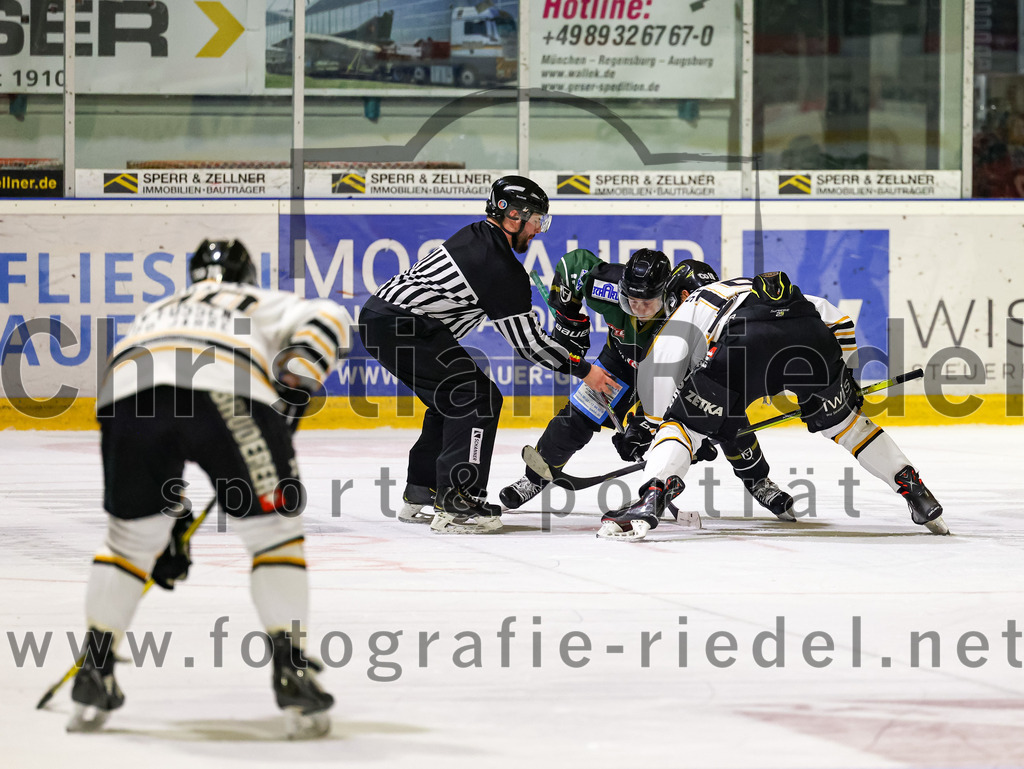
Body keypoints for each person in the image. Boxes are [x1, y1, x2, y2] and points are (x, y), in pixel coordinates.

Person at [69, 240, 349, 738]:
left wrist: (170, 511)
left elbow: (165, 391)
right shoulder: (257, 300)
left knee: (128, 544)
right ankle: (292, 670)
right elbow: (330, 315)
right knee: (274, 535)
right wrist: (296, 382)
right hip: (227, 388)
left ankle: (94, 670)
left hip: (126, 394)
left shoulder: (160, 307)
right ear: (247, 275)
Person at [597, 271, 948, 541]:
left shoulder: (691, 308)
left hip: (745, 346)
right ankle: (914, 488)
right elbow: (839, 322)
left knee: (682, 427)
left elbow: (662, 378)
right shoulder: (745, 289)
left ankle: (653, 495)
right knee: (850, 427)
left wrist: (660, 430)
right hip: (810, 338)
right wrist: (845, 381)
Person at [359, 175, 616, 534]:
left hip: (385, 319)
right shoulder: (497, 266)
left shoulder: (477, 236)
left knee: (452, 398)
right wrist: (585, 369)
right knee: (476, 397)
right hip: (402, 326)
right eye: (536, 220)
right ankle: (458, 502)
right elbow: (529, 345)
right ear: (513, 216)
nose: (538, 230)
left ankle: (423, 488)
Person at [500, 253, 796, 521]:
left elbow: (681, 386)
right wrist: (569, 324)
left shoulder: (693, 318)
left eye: (648, 303)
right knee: (577, 417)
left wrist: (653, 429)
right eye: (632, 300)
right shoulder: (608, 287)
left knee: (723, 414)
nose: (639, 309)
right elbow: (573, 265)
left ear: (669, 296)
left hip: (668, 371)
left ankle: (759, 481)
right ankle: (534, 478)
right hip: (619, 362)